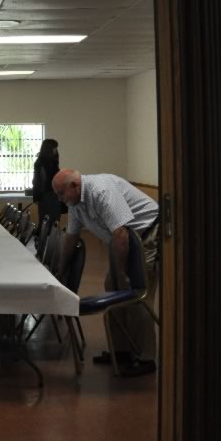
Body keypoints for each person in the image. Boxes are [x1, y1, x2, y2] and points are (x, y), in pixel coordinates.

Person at [52, 169, 159, 378]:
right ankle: (121, 351)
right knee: (112, 287)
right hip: (120, 240)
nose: (59, 199)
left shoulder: (101, 191)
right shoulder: (74, 204)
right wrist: (60, 270)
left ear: (75, 186)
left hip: (146, 236)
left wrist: (122, 272)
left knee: (138, 295)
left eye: (61, 193)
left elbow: (121, 233)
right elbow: (72, 237)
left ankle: (147, 358)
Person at [32, 139, 63, 228]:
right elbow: (37, 181)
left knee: (54, 220)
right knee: (47, 221)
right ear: (49, 149)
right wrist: (36, 197)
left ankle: (51, 235)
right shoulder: (41, 162)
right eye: (54, 148)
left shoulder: (53, 161)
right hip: (46, 195)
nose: (56, 150)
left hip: (53, 194)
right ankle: (46, 236)